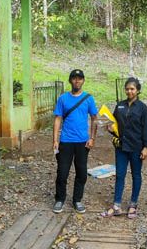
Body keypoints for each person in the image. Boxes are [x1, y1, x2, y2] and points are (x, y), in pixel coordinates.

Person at [100, 77, 147, 219]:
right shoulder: (120, 106)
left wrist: (146, 147)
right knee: (120, 175)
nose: (129, 91)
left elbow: (146, 128)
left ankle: (133, 204)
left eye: (132, 89)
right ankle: (116, 205)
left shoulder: (142, 108)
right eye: (127, 89)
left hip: (136, 147)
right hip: (121, 147)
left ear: (138, 90)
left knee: (136, 175)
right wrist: (109, 128)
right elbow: (114, 124)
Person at [52, 69, 98, 214]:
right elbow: (58, 119)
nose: (77, 81)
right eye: (74, 78)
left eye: (79, 78)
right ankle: (60, 199)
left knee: (82, 172)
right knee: (62, 172)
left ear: (83, 81)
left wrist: (92, 138)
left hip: (82, 142)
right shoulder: (63, 98)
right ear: (70, 80)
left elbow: (94, 118)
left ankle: (77, 200)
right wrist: (55, 140)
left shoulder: (88, 98)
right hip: (65, 141)